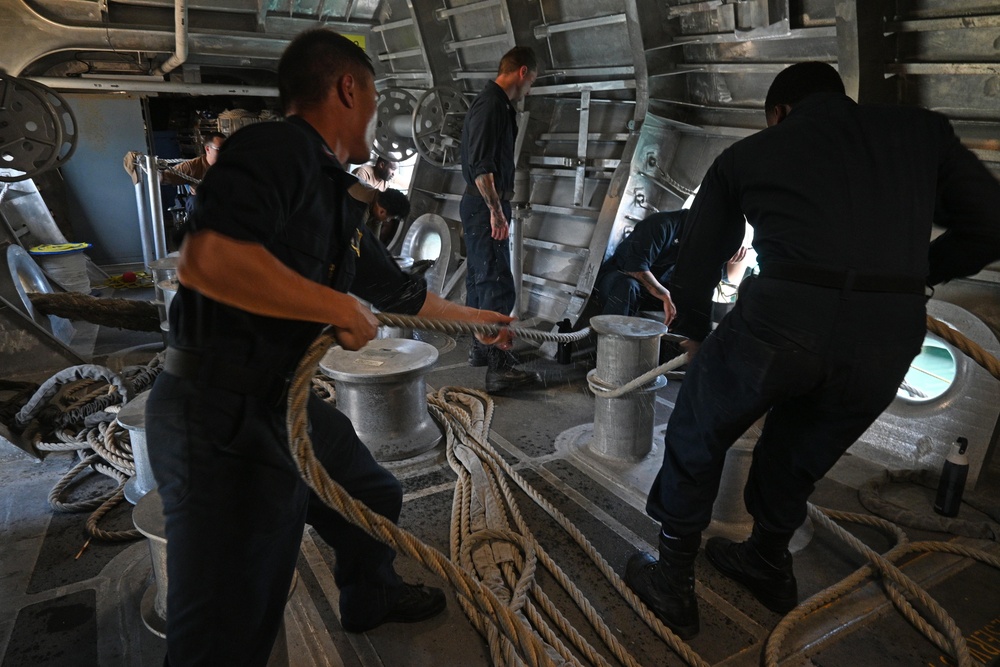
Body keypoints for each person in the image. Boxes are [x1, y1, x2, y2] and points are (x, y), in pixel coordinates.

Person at [144, 29, 516, 666]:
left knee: (371, 493)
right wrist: (334, 306)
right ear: (349, 87)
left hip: (275, 402)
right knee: (230, 626)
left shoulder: (333, 194)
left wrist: (475, 317)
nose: (377, 110)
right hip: (216, 417)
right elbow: (208, 260)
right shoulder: (275, 147)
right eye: (374, 94)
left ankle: (368, 596)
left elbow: (401, 295)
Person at [624, 61, 1000, 640]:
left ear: (778, 113)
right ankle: (769, 563)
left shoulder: (752, 154)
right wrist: (912, 276)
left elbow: (699, 259)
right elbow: (989, 224)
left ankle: (671, 581)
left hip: (783, 320)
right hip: (891, 332)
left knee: (698, 427)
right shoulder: (921, 134)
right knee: (800, 446)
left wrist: (696, 332)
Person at [460, 46, 539, 393]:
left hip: (478, 204)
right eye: (532, 81)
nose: (529, 88)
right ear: (522, 72)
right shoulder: (492, 104)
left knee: (480, 280)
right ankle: (499, 369)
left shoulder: (492, 104)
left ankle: (481, 348)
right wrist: (496, 212)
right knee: (495, 281)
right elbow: (483, 169)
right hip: (484, 205)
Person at [592, 209, 687, 323]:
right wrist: (665, 295)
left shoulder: (696, 241)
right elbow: (636, 269)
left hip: (649, 291)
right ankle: (611, 339)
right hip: (617, 278)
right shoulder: (661, 223)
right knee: (628, 286)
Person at [161, 131, 226, 213]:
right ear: (207, 149)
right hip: (205, 205)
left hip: (225, 201)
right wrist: (152, 173)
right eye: (220, 149)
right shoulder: (193, 166)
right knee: (195, 202)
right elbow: (165, 176)